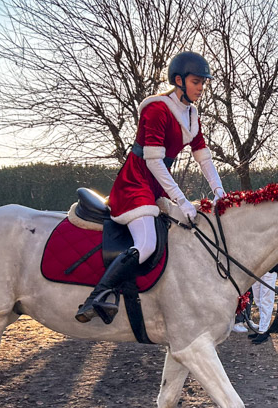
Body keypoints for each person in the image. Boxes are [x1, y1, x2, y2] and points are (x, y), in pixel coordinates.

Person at [76, 52, 225, 323]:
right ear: (178, 80)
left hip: (157, 183)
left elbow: (203, 156)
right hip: (136, 182)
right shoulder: (157, 110)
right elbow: (154, 162)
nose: (201, 87)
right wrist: (181, 200)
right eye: (196, 81)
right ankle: (99, 295)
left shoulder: (191, 114)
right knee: (146, 244)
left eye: (203, 82)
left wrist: (220, 192)